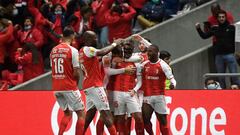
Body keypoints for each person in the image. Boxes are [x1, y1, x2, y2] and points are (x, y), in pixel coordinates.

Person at [79, 30, 123, 135]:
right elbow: (102, 52)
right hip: (95, 86)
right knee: (106, 114)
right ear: (87, 40)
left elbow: (99, 57)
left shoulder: (81, 51)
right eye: (94, 38)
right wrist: (114, 43)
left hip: (88, 86)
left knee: (89, 116)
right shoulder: (88, 49)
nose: (96, 39)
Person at [50, 26, 85, 135]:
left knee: (67, 114)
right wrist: (76, 84)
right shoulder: (73, 50)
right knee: (81, 114)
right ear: (72, 36)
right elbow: (76, 72)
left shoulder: (53, 50)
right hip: (69, 86)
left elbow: (53, 69)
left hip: (56, 87)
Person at [196, 10, 240, 89]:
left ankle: (236, 92)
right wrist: (198, 29)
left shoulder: (232, 28)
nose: (221, 18)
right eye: (220, 17)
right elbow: (204, 36)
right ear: (217, 18)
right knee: (221, 77)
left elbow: (237, 39)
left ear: (226, 17)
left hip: (230, 54)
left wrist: (237, 51)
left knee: (234, 76)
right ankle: (222, 94)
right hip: (219, 56)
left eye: (223, 17)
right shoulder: (215, 28)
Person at [141, 45, 176, 135]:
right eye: (148, 51)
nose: (148, 53)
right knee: (145, 120)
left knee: (163, 122)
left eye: (151, 51)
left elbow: (172, 79)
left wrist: (173, 85)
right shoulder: (144, 65)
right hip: (147, 97)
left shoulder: (163, 65)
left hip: (159, 97)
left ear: (157, 53)